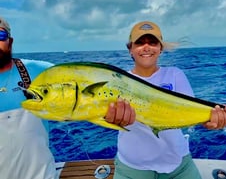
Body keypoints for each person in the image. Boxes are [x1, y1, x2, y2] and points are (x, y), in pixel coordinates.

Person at [0, 16, 135, 179]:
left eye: (0, 35)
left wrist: (113, 110)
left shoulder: (40, 70)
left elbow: (98, 85)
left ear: (10, 41)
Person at [105, 21, 226, 179]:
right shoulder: (118, 80)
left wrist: (212, 119)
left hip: (178, 165)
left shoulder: (175, 74)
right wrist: (111, 119)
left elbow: (191, 113)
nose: (146, 47)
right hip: (132, 168)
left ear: (160, 48)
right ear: (130, 49)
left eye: (152, 42)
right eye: (140, 43)